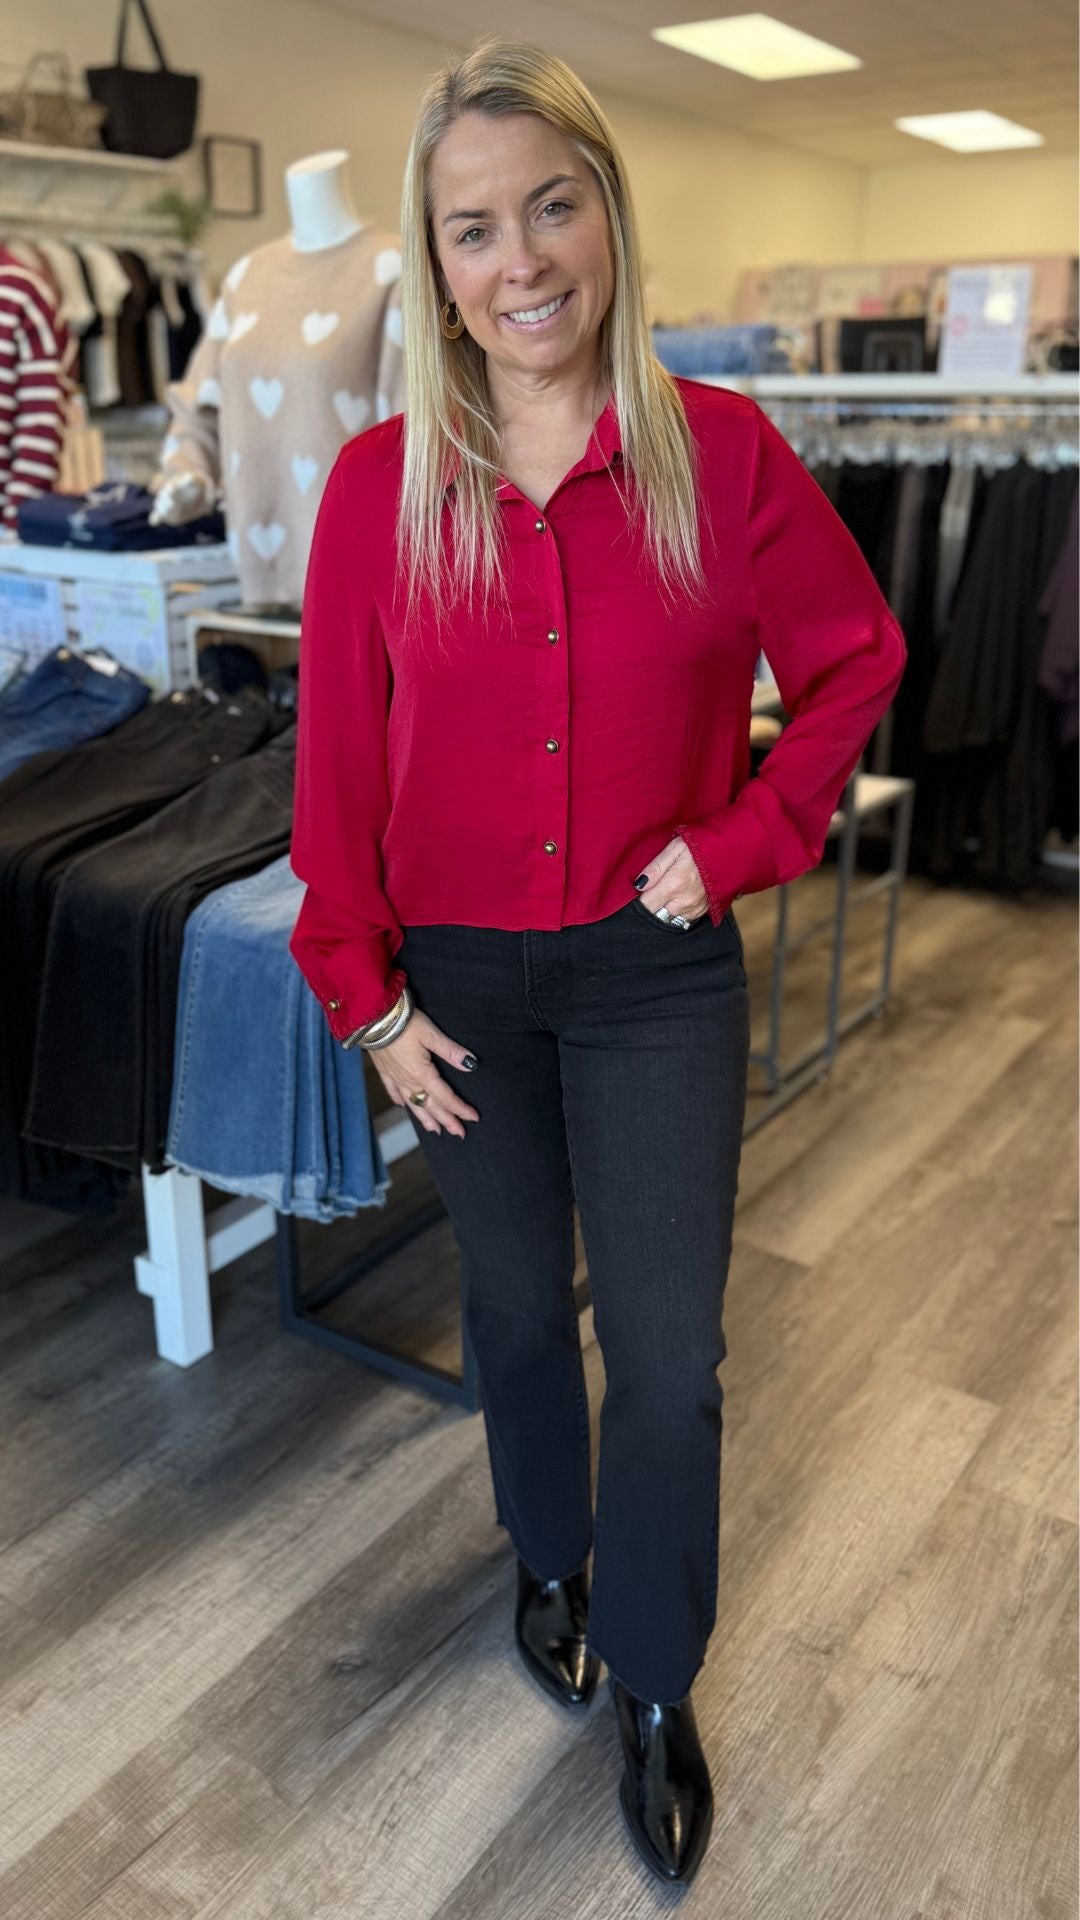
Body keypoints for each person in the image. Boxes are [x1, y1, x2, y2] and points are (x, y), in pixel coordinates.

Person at [289, 36, 907, 1888]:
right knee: (507, 1309)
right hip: (458, 994)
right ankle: (545, 1559)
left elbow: (857, 666)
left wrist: (742, 840)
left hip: (653, 980)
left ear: (609, 217)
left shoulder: (723, 456)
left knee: (666, 1348)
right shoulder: (381, 488)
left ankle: (651, 1670)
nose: (523, 261)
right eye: (475, 228)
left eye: (552, 208)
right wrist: (366, 1001)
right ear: (437, 262)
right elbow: (336, 772)